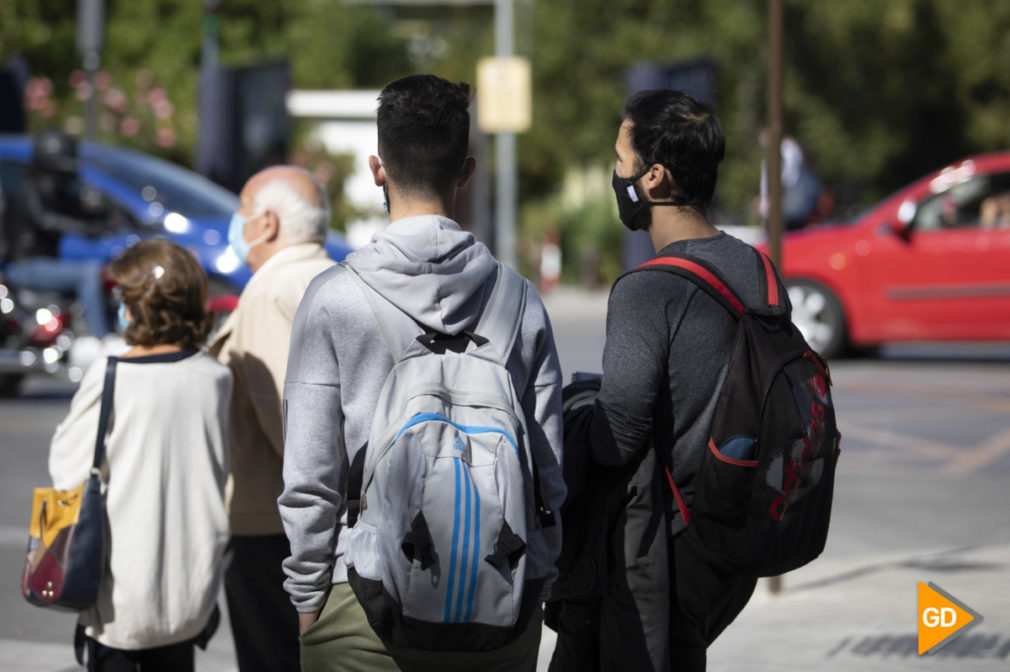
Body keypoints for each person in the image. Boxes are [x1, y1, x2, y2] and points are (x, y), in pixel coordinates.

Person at [278, 74, 565, 672]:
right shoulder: (519, 301)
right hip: (499, 602)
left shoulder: (333, 298)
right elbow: (550, 476)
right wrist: (536, 576)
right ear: (466, 171)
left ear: (377, 169)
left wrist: (310, 602)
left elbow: (310, 478)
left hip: (361, 599)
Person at [549, 90, 782, 672]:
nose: (615, 174)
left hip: (667, 551)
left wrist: (578, 407)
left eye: (620, 161)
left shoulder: (647, 289)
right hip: (734, 541)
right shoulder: (756, 266)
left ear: (653, 177)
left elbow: (616, 440)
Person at [48, 238, 231, 671]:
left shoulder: (111, 374)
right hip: (191, 583)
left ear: (135, 305)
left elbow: (67, 471)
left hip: (121, 585)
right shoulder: (216, 377)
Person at [209, 166, 335, 672]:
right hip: (319, 525)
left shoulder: (268, 291)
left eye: (240, 209)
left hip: (272, 528)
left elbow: (293, 426)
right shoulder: (334, 277)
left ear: (264, 223)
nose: (234, 222)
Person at [1, 129, 110, 337]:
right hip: (27, 266)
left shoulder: (57, 193)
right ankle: (100, 339)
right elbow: (45, 220)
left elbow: (80, 212)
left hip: (45, 262)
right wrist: (85, 229)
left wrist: (105, 219)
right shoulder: (30, 190)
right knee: (89, 273)